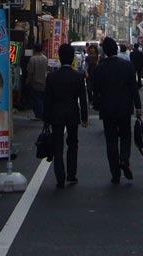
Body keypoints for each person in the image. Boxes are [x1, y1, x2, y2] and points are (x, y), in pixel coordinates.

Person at [92, 36, 142, 184]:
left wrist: (97, 104)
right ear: (116, 49)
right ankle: (124, 159)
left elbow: (95, 90)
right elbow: (133, 88)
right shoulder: (127, 66)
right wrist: (138, 106)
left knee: (111, 140)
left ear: (105, 51)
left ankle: (115, 173)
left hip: (107, 108)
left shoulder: (100, 68)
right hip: (125, 107)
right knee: (126, 135)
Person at [43, 43, 88, 189]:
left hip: (56, 114)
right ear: (72, 58)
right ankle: (71, 174)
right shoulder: (78, 76)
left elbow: (47, 99)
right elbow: (83, 99)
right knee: (73, 143)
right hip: (73, 113)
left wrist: (46, 119)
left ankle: (60, 178)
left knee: (58, 146)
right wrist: (84, 117)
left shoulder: (52, 77)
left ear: (60, 57)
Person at [26, 43, 48, 120]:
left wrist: (27, 81)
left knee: (36, 99)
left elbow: (30, 72)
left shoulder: (33, 59)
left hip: (35, 83)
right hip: (44, 82)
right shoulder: (45, 58)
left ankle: (38, 115)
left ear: (34, 50)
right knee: (42, 99)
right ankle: (42, 114)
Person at [83, 43, 101, 110]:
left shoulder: (98, 57)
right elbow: (85, 66)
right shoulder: (87, 58)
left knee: (96, 89)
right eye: (91, 48)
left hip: (97, 75)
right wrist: (86, 73)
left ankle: (95, 102)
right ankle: (90, 101)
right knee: (89, 89)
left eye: (93, 48)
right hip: (90, 75)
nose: (92, 50)